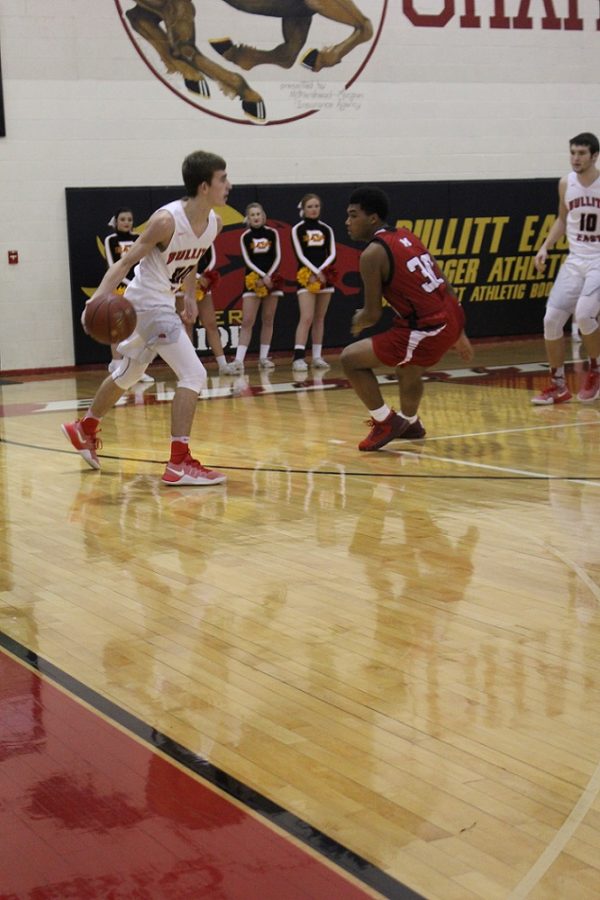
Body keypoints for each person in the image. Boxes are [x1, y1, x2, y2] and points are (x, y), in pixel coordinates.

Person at [62, 150, 231, 486]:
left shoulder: (214, 221)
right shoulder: (166, 220)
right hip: (146, 304)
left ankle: (84, 428)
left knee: (129, 372)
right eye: (222, 179)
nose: (229, 185)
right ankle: (179, 463)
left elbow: (193, 258)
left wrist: (188, 293)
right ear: (203, 186)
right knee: (193, 374)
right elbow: (124, 265)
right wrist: (94, 302)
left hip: (163, 303)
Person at [341, 186, 473, 451]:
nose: (347, 222)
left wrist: (359, 320)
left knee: (350, 359)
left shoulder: (372, 254)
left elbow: (373, 313)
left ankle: (384, 421)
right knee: (409, 366)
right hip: (450, 314)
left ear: (373, 218)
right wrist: (459, 331)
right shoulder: (406, 235)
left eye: (354, 215)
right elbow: (444, 282)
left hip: (428, 327)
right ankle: (410, 422)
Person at [532, 132, 600, 405]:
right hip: (575, 260)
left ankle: (595, 370)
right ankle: (558, 384)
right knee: (551, 320)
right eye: (573, 152)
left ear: (594, 156)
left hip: (598, 259)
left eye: (582, 153)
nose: (575, 158)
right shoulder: (565, 184)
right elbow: (562, 219)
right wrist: (545, 246)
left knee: (584, 315)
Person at [103, 208, 154, 384]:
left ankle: (134, 368)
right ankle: (116, 362)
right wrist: (128, 282)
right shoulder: (111, 240)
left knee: (137, 327)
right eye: (123, 219)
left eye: (130, 219)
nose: (126, 222)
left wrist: (139, 283)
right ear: (116, 221)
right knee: (119, 326)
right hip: (120, 287)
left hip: (139, 288)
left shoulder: (138, 238)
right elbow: (114, 265)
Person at [230, 202, 283, 373]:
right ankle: (239, 360)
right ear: (248, 218)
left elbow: (277, 256)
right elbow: (247, 259)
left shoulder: (272, 233)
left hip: (271, 279)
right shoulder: (245, 236)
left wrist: (269, 276)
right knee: (247, 321)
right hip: (253, 280)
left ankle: (263, 357)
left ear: (263, 216)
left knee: (268, 319)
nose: (256, 217)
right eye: (252, 215)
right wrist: (261, 276)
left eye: (258, 214)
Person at [290, 193, 336, 371]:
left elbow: (332, 252)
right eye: (310, 206)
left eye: (316, 206)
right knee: (307, 317)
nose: (314, 209)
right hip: (306, 276)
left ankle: (317, 356)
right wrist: (315, 272)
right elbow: (299, 254)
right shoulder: (298, 229)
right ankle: (298, 358)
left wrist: (323, 271)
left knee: (319, 318)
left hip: (325, 277)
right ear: (303, 209)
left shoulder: (326, 229)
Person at [180, 240, 237, 375]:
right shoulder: (180, 236)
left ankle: (223, 364)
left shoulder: (206, 235)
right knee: (187, 324)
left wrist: (202, 276)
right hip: (183, 284)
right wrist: (195, 278)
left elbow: (211, 258)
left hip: (203, 284)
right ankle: (190, 368)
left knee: (211, 323)